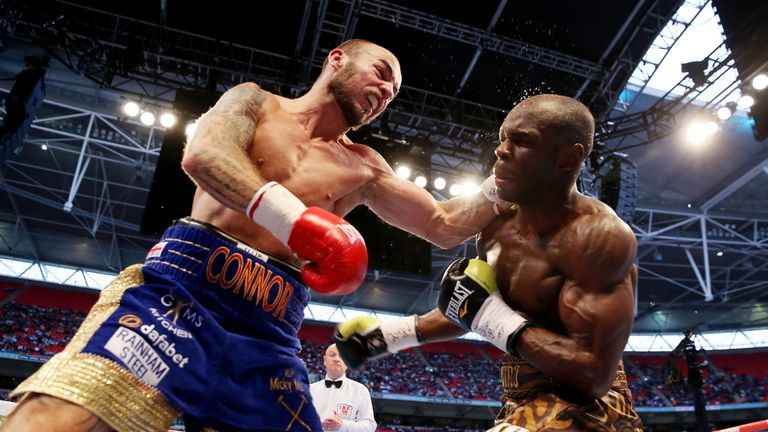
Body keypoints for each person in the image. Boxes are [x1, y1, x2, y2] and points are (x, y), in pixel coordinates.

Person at [1, 39, 501, 432]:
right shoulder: (256, 102)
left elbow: (443, 224)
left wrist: (509, 177)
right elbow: (205, 156)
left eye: (392, 94)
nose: (385, 93)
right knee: (67, 417)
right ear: (338, 59)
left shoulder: (364, 166)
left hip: (269, 332)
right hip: (180, 296)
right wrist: (297, 221)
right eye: (381, 74)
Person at [333, 94, 644, 431]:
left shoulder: (599, 238)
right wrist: (388, 336)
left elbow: (594, 375)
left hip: (592, 406)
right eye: (502, 138)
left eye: (522, 141)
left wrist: (489, 316)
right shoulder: (498, 226)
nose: (501, 151)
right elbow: (472, 308)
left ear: (569, 157)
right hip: (523, 400)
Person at [309, 344, 376, 432]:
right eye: (332, 355)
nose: (336, 359)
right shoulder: (309, 390)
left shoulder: (360, 390)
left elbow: (370, 427)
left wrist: (343, 426)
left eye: (342, 356)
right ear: (325, 360)